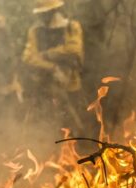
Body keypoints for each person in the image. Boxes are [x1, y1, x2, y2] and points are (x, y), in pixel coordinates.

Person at [22, 0, 85, 131]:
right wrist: (52, 67)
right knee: (40, 128)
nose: (42, 16)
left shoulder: (71, 27)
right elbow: (28, 57)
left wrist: (47, 54)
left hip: (70, 86)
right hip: (42, 87)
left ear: (54, 11)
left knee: (74, 126)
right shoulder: (35, 31)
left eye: (45, 13)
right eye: (41, 14)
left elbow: (73, 50)